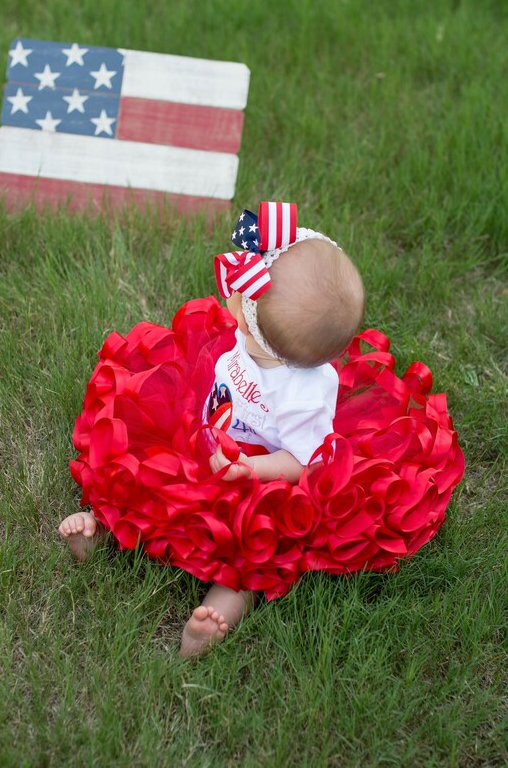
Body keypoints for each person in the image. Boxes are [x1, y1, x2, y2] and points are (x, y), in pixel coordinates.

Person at [58, 202, 464, 657]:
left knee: (251, 551)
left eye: (244, 303)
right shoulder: (258, 338)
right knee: (144, 467)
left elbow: (302, 460)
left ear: (268, 342)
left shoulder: (305, 394)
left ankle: (216, 614)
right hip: (209, 432)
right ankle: (102, 527)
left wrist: (250, 467)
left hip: (261, 476)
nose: (232, 297)